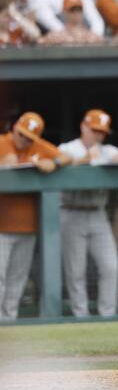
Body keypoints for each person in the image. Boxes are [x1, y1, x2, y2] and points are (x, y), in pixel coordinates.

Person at [58, 109, 118, 318]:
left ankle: (107, 317)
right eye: (94, 130)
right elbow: (57, 164)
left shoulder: (107, 150)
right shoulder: (68, 148)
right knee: (76, 271)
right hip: (71, 212)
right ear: (84, 127)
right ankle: (81, 316)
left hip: (97, 213)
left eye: (101, 132)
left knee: (110, 266)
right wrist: (84, 159)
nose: (97, 135)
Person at [0, 112, 69, 320]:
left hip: (27, 226)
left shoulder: (37, 147)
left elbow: (66, 157)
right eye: (21, 135)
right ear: (14, 129)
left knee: (17, 278)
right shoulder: (2, 143)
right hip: (1, 227)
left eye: (29, 138)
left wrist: (52, 164)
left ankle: (8, 321)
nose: (24, 140)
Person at [27, 0, 104, 36]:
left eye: (78, 10)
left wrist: (94, 36)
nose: (76, 13)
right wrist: (67, 35)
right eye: (72, 10)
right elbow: (45, 17)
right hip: (54, 35)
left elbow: (96, 20)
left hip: (83, 34)